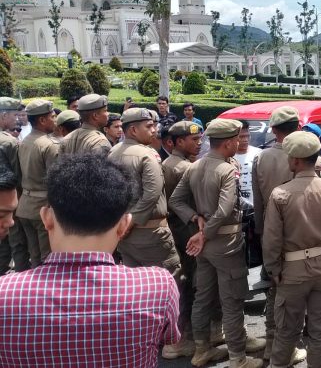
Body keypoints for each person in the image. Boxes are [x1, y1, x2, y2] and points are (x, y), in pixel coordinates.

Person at [0, 154, 180, 367]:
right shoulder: (158, 285)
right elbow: (169, 338)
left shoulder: (5, 292)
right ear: (124, 225)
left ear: (46, 218)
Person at [169, 119, 265, 368]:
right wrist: (205, 232)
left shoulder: (194, 166)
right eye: (237, 140)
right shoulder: (226, 170)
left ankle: (202, 350)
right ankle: (238, 357)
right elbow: (224, 210)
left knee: (203, 296)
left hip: (205, 246)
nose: (240, 143)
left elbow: (176, 201)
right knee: (231, 299)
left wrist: (195, 218)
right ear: (229, 142)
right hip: (225, 242)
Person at [262, 131, 321, 368]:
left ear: (296, 160)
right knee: (320, 330)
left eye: (290, 156)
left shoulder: (280, 194)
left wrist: (273, 268)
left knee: (287, 329)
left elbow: (272, 239)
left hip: (291, 271)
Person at [250, 106, 307, 365]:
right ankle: (288, 346)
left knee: (274, 288)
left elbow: (259, 202)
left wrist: (262, 234)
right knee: (298, 292)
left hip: (270, 234)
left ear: (273, 130)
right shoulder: (305, 155)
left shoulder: (261, 158)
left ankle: (271, 342)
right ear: (298, 126)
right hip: (302, 235)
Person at [108, 108, 181, 277]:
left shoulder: (113, 152)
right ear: (133, 130)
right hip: (151, 233)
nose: (154, 130)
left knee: (136, 286)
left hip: (124, 234)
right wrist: (131, 222)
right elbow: (152, 194)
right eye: (149, 126)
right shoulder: (148, 154)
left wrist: (123, 224)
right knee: (169, 281)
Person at [161, 121, 204, 359]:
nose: (198, 144)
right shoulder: (185, 168)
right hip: (188, 231)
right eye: (193, 140)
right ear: (178, 142)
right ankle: (180, 340)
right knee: (189, 284)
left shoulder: (169, 163)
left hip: (175, 229)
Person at [16, 100, 58, 269]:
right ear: (42, 120)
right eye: (52, 117)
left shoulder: (24, 141)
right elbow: (55, 181)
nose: (55, 120)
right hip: (43, 208)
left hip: (25, 205)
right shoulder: (49, 145)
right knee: (48, 257)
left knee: (35, 255)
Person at [0, 98, 25, 273]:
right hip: (8, 199)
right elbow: (17, 176)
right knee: (11, 241)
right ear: (3, 116)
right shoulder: (9, 142)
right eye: (14, 115)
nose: (17, 119)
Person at [234, 120, 262, 267]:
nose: (244, 140)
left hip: (256, 210)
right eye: (241, 136)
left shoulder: (259, 154)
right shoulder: (229, 157)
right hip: (238, 214)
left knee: (258, 245)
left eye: (247, 136)